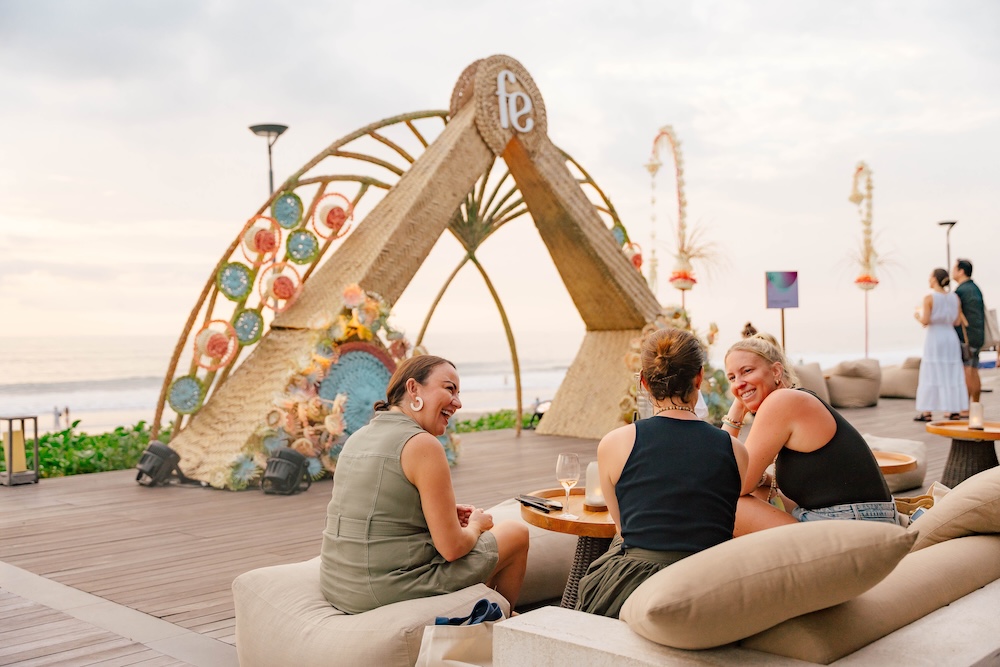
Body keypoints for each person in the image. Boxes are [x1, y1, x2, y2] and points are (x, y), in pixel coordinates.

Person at [320, 355, 529, 614]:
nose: (458, 402)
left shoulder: (358, 437)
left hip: (339, 585)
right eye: (449, 389)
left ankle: (483, 612)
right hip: (385, 589)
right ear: (413, 389)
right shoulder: (422, 443)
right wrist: (475, 525)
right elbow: (452, 549)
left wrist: (441, 515)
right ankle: (497, 624)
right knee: (515, 533)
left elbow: (373, 511)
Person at [576, 328, 748, 618]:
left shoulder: (614, 443)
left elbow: (624, 528)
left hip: (634, 586)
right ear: (699, 377)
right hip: (710, 584)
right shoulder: (735, 450)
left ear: (643, 382)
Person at [721, 334, 898, 535]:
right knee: (757, 490)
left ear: (776, 371)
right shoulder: (795, 398)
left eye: (747, 371)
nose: (739, 383)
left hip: (854, 524)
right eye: (732, 378)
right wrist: (740, 402)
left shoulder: (782, 402)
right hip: (865, 517)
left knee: (723, 502)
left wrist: (736, 411)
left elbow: (734, 484)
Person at [913, 268, 967, 421]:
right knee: (951, 372)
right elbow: (957, 321)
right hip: (950, 337)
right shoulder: (954, 297)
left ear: (935, 279)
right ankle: (954, 410)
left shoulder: (929, 298)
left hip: (935, 337)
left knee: (931, 371)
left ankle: (927, 412)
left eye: (930, 277)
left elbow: (925, 321)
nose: (929, 280)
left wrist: (917, 316)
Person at [952, 258, 986, 418]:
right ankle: (975, 405)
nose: (952, 272)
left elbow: (956, 316)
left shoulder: (961, 291)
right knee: (974, 370)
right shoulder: (975, 288)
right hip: (978, 335)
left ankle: (965, 408)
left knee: (967, 371)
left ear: (961, 271)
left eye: (954, 269)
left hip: (966, 337)